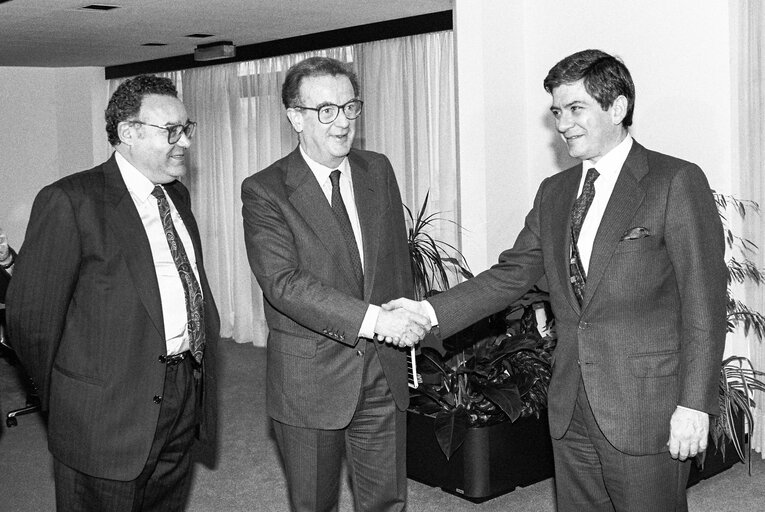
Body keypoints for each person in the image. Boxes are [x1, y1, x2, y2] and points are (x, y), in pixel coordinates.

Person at [386, 49, 727, 511]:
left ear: (618, 108)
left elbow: (705, 303)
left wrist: (695, 404)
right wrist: (427, 311)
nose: (563, 123)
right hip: (570, 404)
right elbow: (510, 277)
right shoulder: (555, 193)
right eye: (556, 112)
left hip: (647, 404)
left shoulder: (674, 181)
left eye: (575, 108)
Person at [6, 74, 220, 512]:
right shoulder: (70, 200)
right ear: (128, 133)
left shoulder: (175, 195)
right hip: (104, 413)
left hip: (182, 389)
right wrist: (72, 400)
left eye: (187, 129)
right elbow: (31, 321)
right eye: (171, 131)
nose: (185, 143)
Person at [241, 56, 429, 512]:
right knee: (314, 505)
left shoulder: (377, 170)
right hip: (312, 381)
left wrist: (409, 324)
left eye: (350, 107)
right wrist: (377, 320)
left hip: (382, 371)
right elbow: (284, 284)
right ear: (295, 118)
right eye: (326, 110)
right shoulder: (265, 190)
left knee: (387, 501)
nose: (342, 122)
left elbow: (395, 262)